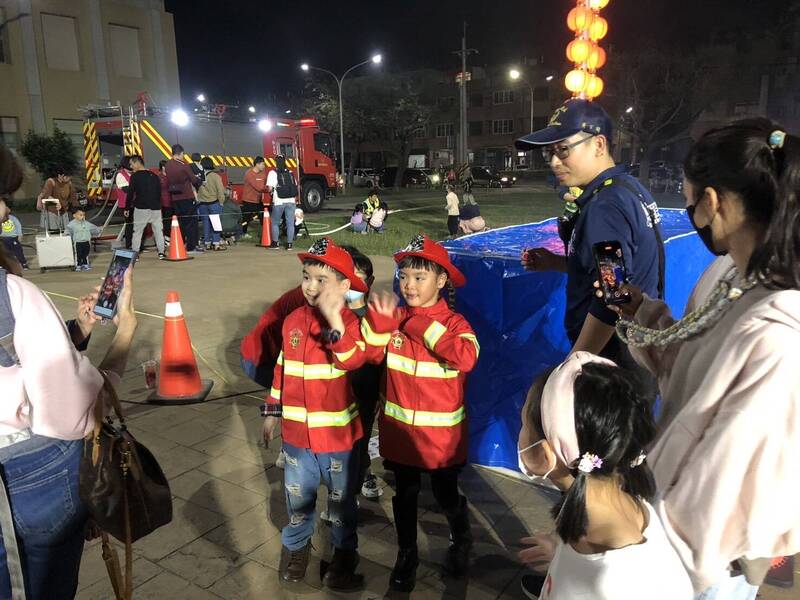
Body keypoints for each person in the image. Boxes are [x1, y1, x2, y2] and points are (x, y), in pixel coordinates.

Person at [610, 119, 800, 598]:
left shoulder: (781, 333)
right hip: (664, 519)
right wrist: (642, 312)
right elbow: (686, 359)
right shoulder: (726, 274)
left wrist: (614, 551)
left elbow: (717, 487)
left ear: (713, 202)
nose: (693, 216)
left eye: (692, 202)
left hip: (702, 557)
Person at [0, 141, 138, 599]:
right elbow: (78, 416)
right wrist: (123, 337)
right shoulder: (14, 294)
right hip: (29, 482)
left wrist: (76, 331)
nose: (4, 209)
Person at [517, 354, 693, 600]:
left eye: (523, 422)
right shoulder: (629, 504)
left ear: (546, 455)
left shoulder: (608, 587)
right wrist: (562, 555)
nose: (521, 432)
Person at [362, 234, 479, 592]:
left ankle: (461, 539)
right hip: (399, 437)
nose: (408, 285)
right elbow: (365, 356)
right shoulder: (392, 320)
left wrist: (414, 323)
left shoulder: (456, 326)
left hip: (441, 443)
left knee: (446, 497)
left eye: (419, 277)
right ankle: (407, 554)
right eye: (404, 276)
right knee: (405, 496)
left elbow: (466, 357)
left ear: (442, 280)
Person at [515, 99, 664, 369]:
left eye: (563, 150)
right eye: (549, 153)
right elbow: (611, 271)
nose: (554, 162)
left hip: (610, 363)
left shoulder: (604, 207)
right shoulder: (626, 188)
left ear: (598, 144)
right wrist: (556, 262)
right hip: (636, 351)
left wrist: (573, 366)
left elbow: (614, 293)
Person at [261, 237, 369, 590]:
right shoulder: (292, 320)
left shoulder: (350, 323)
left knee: (340, 501)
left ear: (343, 286)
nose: (310, 286)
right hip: (296, 436)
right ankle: (297, 547)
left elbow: (352, 358)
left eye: (321, 280)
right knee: (298, 497)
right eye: (306, 276)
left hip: (336, 438)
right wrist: (271, 412)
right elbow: (281, 368)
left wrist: (335, 318)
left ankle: (343, 553)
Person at [337, 246, 383, 499]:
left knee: (358, 442)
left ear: (370, 282)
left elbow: (380, 360)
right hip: (333, 396)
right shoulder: (330, 313)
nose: (353, 283)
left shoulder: (376, 317)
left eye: (360, 277)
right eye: (348, 277)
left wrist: (379, 395)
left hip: (363, 395)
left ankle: (352, 491)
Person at [127, 155, 166, 259]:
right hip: (155, 208)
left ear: (137, 163)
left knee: (138, 232)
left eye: (131, 164)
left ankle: (135, 254)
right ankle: (161, 252)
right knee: (158, 230)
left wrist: (127, 208)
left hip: (141, 207)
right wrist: (158, 205)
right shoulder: (154, 176)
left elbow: (130, 193)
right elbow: (159, 192)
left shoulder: (135, 177)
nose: (131, 166)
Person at [165, 144, 202, 253]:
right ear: (181, 153)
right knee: (191, 222)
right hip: (186, 196)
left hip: (175, 197)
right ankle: (191, 246)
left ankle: (182, 244)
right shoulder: (184, 165)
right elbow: (194, 180)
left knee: (181, 222)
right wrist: (199, 182)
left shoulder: (168, 165)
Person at [267, 155, 298, 250]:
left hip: (279, 201)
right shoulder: (290, 172)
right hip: (291, 201)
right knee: (290, 223)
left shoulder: (273, 173)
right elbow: (294, 185)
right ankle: (289, 244)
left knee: (275, 222)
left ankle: (275, 243)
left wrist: (271, 192)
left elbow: (270, 188)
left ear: (276, 162)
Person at [196, 156, 227, 251]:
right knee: (215, 223)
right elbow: (220, 191)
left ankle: (207, 243)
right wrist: (221, 202)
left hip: (202, 204)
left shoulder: (199, 176)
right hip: (214, 203)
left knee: (206, 223)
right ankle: (216, 243)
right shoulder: (216, 176)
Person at [240, 156, 268, 238]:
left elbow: (265, 183)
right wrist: (268, 188)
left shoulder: (262, 174)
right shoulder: (249, 174)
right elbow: (259, 187)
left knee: (263, 216)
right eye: (262, 164)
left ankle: (266, 233)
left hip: (258, 200)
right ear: (257, 164)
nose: (264, 166)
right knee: (246, 218)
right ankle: (243, 233)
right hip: (248, 200)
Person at [0, 200, 28, 270]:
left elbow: (18, 226)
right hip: (3, 238)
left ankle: (23, 263)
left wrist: (20, 235)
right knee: (5, 254)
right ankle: (6, 266)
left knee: (18, 252)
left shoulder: (13, 218)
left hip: (13, 238)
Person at [154, 160, 173, 241]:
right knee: (167, 220)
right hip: (164, 202)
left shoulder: (171, 175)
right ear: (163, 167)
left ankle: (173, 235)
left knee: (173, 220)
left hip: (173, 200)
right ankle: (167, 236)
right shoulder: (159, 177)